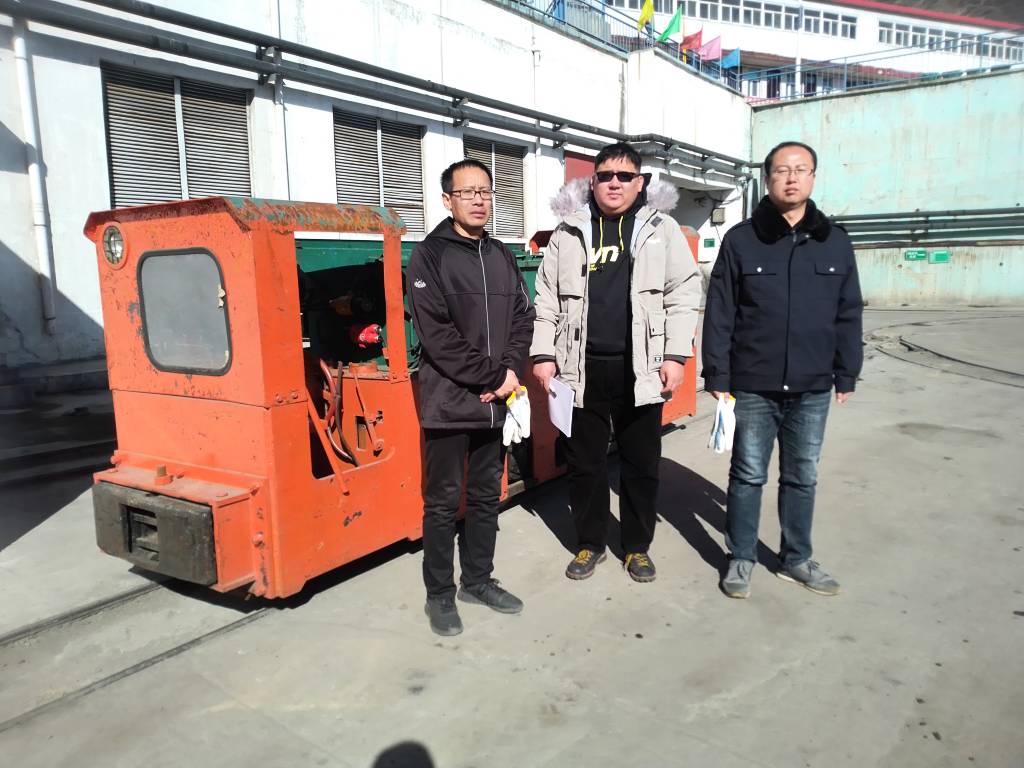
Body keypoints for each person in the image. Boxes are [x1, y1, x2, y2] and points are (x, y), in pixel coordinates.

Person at [531, 142, 702, 582]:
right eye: (606, 175)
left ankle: (637, 547)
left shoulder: (661, 229)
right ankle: (590, 543)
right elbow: (547, 298)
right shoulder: (569, 231)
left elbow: (684, 293)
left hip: (640, 369)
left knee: (641, 464)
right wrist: (544, 354)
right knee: (584, 464)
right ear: (593, 181)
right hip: (580, 369)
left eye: (624, 176)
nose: (614, 183)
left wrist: (676, 355)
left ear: (639, 183)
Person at [701, 140, 864, 599]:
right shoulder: (742, 240)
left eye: (800, 169)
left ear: (813, 177)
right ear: (767, 178)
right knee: (748, 474)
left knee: (802, 476)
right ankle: (741, 557)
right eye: (781, 170)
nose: (791, 178)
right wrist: (718, 375)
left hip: (812, 386)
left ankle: (796, 559)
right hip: (754, 383)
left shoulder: (835, 241)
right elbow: (721, 311)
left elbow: (848, 311)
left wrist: (847, 371)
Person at [406, 158, 535, 635]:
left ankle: (477, 581)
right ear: (448, 200)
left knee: (485, 496)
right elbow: (437, 336)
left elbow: (523, 317)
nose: (479, 200)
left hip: (495, 402)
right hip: (449, 403)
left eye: (485, 191)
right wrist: (493, 376)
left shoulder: (501, 255)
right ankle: (439, 594)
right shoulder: (429, 256)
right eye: (467, 192)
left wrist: (509, 372)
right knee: (442, 502)